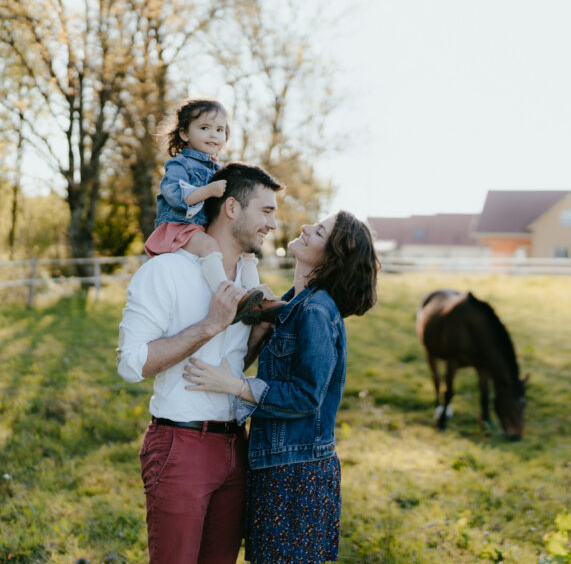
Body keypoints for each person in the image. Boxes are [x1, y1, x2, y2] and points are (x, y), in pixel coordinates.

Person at [183, 211, 380, 563]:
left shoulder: (316, 311)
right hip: (279, 467)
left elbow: (306, 396)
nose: (304, 228)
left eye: (318, 232)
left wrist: (235, 385)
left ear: (331, 256)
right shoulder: (296, 305)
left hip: (297, 475)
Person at [117, 162, 283, 563]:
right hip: (180, 445)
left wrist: (258, 334)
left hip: (236, 446)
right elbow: (131, 364)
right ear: (230, 209)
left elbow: (231, 362)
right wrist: (209, 325)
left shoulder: (248, 280)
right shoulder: (166, 271)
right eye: (266, 211)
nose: (273, 225)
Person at [144, 97, 264, 321]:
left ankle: (253, 298)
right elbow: (175, 195)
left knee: (245, 246)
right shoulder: (179, 164)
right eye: (205, 128)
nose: (213, 135)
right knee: (208, 245)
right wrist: (208, 191)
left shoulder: (217, 168)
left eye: (219, 130)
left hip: (205, 226)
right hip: (181, 226)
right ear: (184, 133)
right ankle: (227, 298)